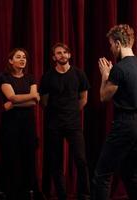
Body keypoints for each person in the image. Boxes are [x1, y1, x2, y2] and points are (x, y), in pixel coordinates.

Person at [92, 24, 137, 200]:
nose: (110, 48)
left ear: (117, 43)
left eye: (110, 44)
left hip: (125, 124)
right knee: (130, 176)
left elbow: (103, 97)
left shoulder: (120, 68)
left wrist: (104, 75)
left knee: (102, 175)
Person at [39, 43, 90, 200]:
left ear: (69, 55)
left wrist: (72, 111)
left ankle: (85, 195)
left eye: (65, 52)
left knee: (81, 160)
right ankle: (62, 195)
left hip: (73, 124)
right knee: (56, 163)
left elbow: (84, 98)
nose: (62, 55)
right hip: (54, 125)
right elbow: (44, 100)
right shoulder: (48, 76)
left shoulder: (79, 74)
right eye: (58, 53)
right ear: (54, 57)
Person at [0, 48, 40, 200]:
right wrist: (30, 97)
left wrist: (14, 102)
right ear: (11, 60)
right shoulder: (4, 77)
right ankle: (10, 192)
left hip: (28, 125)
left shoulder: (30, 78)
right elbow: (12, 97)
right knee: (11, 158)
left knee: (28, 158)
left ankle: (27, 191)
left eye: (24, 57)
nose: (22, 59)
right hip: (11, 126)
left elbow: (33, 103)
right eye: (18, 57)